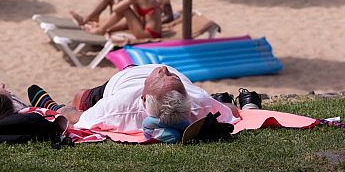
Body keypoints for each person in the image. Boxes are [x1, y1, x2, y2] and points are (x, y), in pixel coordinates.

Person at [27, 64, 237, 138]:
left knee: (79, 98)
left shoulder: (117, 109)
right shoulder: (200, 102)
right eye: (171, 77)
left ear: (143, 98)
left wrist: (63, 111)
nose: (163, 69)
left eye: (162, 76)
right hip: (134, 79)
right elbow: (232, 110)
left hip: (122, 80)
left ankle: (52, 106)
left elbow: (75, 119)